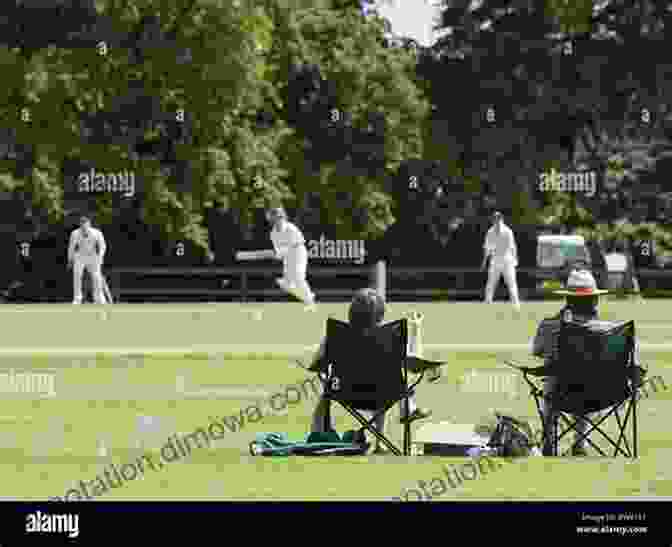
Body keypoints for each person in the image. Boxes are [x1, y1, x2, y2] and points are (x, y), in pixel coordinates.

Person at [532, 269, 641, 456]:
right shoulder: (616, 331)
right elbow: (634, 368)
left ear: (567, 300)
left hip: (563, 395)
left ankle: (549, 443)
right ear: (595, 300)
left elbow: (538, 351)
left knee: (555, 377)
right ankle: (580, 443)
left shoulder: (550, 326)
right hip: (606, 396)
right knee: (588, 377)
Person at [308, 288, 431, 454]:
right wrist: (416, 329)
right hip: (384, 394)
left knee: (327, 392)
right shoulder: (391, 335)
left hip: (344, 393)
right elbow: (413, 366)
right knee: (387, 385)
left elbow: (316, 363)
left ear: (351, 311)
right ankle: (382, 440)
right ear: (381, 314)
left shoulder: (337, 333)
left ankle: (318, 436)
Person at [267, 206, 316, 311]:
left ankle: (310, 303)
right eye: (276, 217)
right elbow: (279, 250)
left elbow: (298, 243)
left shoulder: (290, 228)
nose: (279, 219)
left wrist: (282, 251)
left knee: (299, 278)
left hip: (299, 254)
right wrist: (278, 254)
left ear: (283, 217)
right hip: (288, 258)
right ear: (272, 219)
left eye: (281, 216)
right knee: (286, 284)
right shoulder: (273, 234)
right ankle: (308, 295)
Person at [482, 211, 520, 310]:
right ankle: (488, 304)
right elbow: (487, 248)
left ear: (501, 219)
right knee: (490, 284)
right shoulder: (490, 232)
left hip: (507, 261)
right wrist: (484, 261)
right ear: (493, 220)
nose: (497, 220)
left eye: (498, 218)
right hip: (495, 261)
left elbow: (513, 246)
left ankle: (516, 305)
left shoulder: (508, 231)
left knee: (511, 283)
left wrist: (515, 259)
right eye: (495, 218)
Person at [68, 216, 107, 304]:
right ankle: (77, 299)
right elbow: (71, 248)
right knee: (77, 275)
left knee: (96, 277)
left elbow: (103, 246)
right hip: (80, 256)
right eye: (82, 226)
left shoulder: (97, 233)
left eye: (85, 226)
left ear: (89, 225)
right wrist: (70, 260)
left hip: (93, 256)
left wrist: (100, 257)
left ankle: (99, 298)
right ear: (80, 225)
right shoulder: (75, 233)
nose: (84, 229)